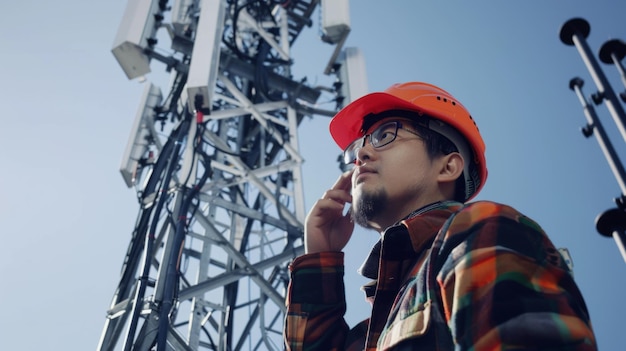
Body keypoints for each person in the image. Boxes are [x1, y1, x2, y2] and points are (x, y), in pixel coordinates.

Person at [284, 82, 597, 350]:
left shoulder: (481, 229)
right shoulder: (383, 322)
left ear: (448, 167)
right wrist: (320, 256)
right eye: (358, 146)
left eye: (385, 135)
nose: (361, 155)